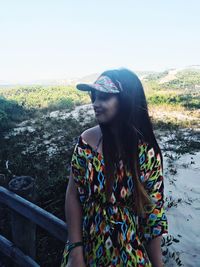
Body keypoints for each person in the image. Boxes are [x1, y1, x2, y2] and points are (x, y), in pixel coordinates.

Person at [60, 68, 168, 267]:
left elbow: (153, 212)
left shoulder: (146, 152)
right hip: (87, 247)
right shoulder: (86, 143)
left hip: (128, 251)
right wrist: (76, 251)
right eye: (95, 96)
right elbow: (72, 195)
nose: (95, 103)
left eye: (104, 97)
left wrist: (158, 264)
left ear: (126, 101)